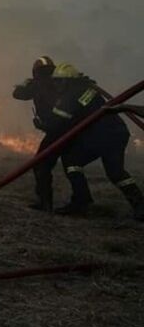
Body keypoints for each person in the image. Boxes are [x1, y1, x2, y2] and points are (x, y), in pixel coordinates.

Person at [41, 63, 144, 220]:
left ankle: (81, 201)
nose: (56, 84)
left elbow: (58, 122)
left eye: (59, 81)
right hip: (116, 133)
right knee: (115, 172)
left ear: (69, 81)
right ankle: (140, 206)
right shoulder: (87, 88)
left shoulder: (71, 95)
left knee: (71, 160)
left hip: (103, 135)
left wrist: (43, 125)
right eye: (55, 81)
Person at [12, 56, 61, 212]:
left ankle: (45, 202)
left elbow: (17, 94)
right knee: (72, 165)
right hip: (71, 128)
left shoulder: (37, 84)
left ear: (35, 71)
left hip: (56, 132)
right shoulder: (60, 82)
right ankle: (82, 200)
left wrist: (25, 83)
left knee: (41, 164)